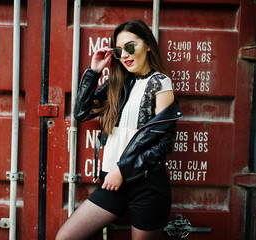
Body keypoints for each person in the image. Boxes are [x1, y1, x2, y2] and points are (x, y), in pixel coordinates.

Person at [56, 19, 182, 240]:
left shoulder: (160, 83)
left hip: (146, 184)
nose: (125, 54)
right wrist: (94, 72)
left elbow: (165, 143)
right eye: (118, 50)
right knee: (66, 237)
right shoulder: (117, 83)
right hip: (111, 182)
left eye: (130, 46)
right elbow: (82, 113)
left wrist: (122, 170)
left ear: (148, 45)